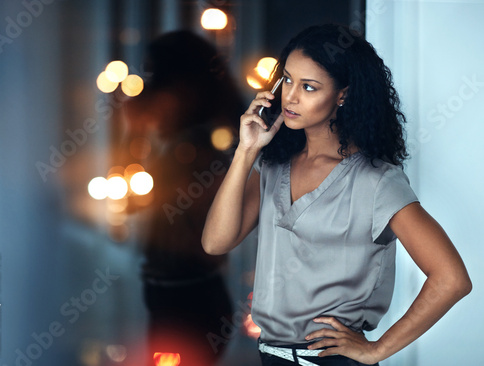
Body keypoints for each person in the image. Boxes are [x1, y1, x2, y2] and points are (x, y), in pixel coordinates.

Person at [202, 24, 472, 366]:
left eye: (309, 87)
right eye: (287, 80)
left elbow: (451, 279)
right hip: (270, 356)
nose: (291, 97)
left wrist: (376, 350)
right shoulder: (273, 166)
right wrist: (246, 151)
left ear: (342, 95)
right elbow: (215, 242)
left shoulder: (377, 181)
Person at [123, 30, 244, 366]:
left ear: (184, 90)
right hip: (178, 298)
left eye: (154, 78)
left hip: (186, 303)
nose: (148, 93)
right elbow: (132, 204)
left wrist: (134, 136)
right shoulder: (190, 147)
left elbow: (184, 232)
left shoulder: (195, 152)